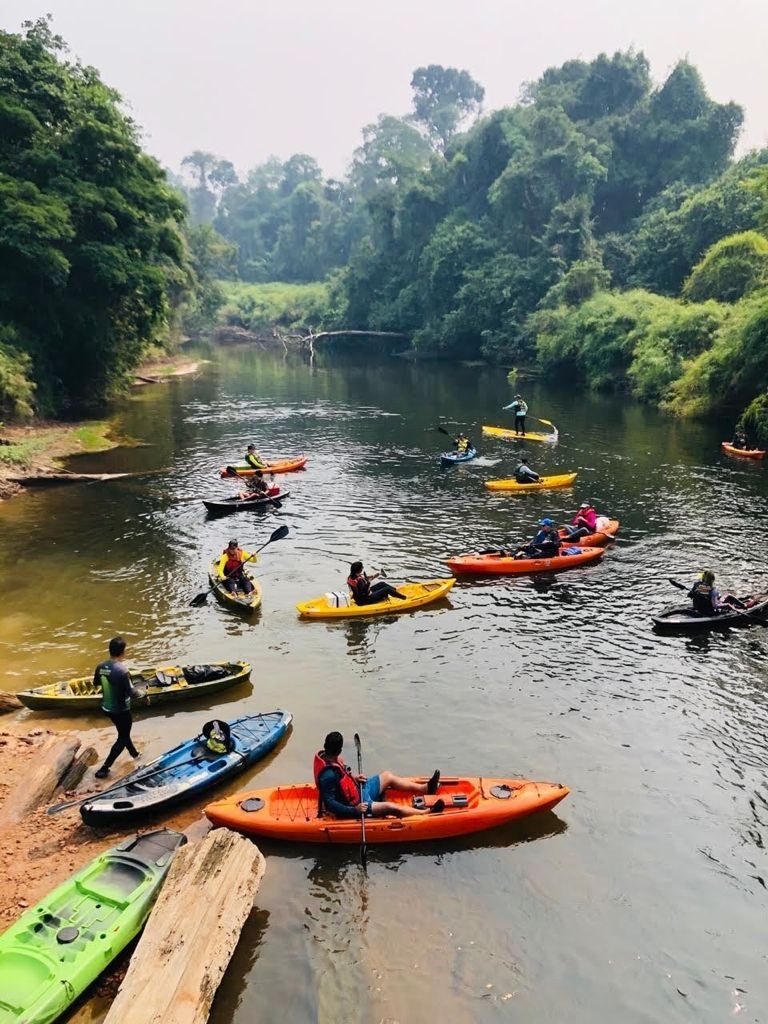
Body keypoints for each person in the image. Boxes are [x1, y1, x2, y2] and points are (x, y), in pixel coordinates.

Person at [314, 731, 445, 818]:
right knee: (391, 807)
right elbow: (330, 803)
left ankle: (425, 788)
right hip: (356, 805)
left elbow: (341, 780)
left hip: (359, 791)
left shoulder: (328, 758)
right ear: (339, 749)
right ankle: (426, 813)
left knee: (387, 775)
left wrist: (354, 778)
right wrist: (355, 810)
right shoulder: (328, 776)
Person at [94, 636, 141, 779]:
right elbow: (133, 693)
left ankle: (135, 754)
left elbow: (96, 683)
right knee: (123, 737)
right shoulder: (122, 671)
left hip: (107, 708)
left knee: (123, 732)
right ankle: (105, 768)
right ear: (123, 652)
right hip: (121, 710)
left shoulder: (101, 666)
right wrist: (143, 693)